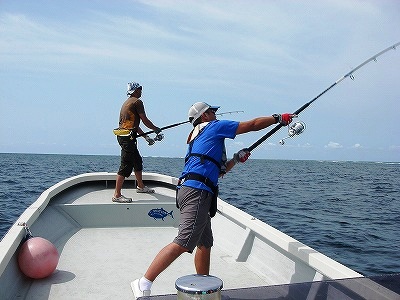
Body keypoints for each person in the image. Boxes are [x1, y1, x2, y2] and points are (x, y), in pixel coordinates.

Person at [131, 101, 294, 298]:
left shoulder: (197, 136)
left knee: (204, 243)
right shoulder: (214, 127)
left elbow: (217, 171)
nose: (215, 114)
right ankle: (144, 282)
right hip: (196, 192)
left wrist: (235, 159)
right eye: (211, 111)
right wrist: (278, 118)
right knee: (184, 241)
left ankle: (203, 286)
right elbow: (251, 125)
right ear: (204, 116)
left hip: (194, 190)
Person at [112, 82, 163, 203]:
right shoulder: (137, 102)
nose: (141, 91)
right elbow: (144, 120)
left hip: (126, 136)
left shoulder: (128, 102)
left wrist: (146, 137)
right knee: (125, 165)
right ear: (135, 90)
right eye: (140, 89)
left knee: (137, 161)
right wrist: (155, 129)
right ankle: (117, 195)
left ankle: (141, 186)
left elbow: (134, 126)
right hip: (127, 139)